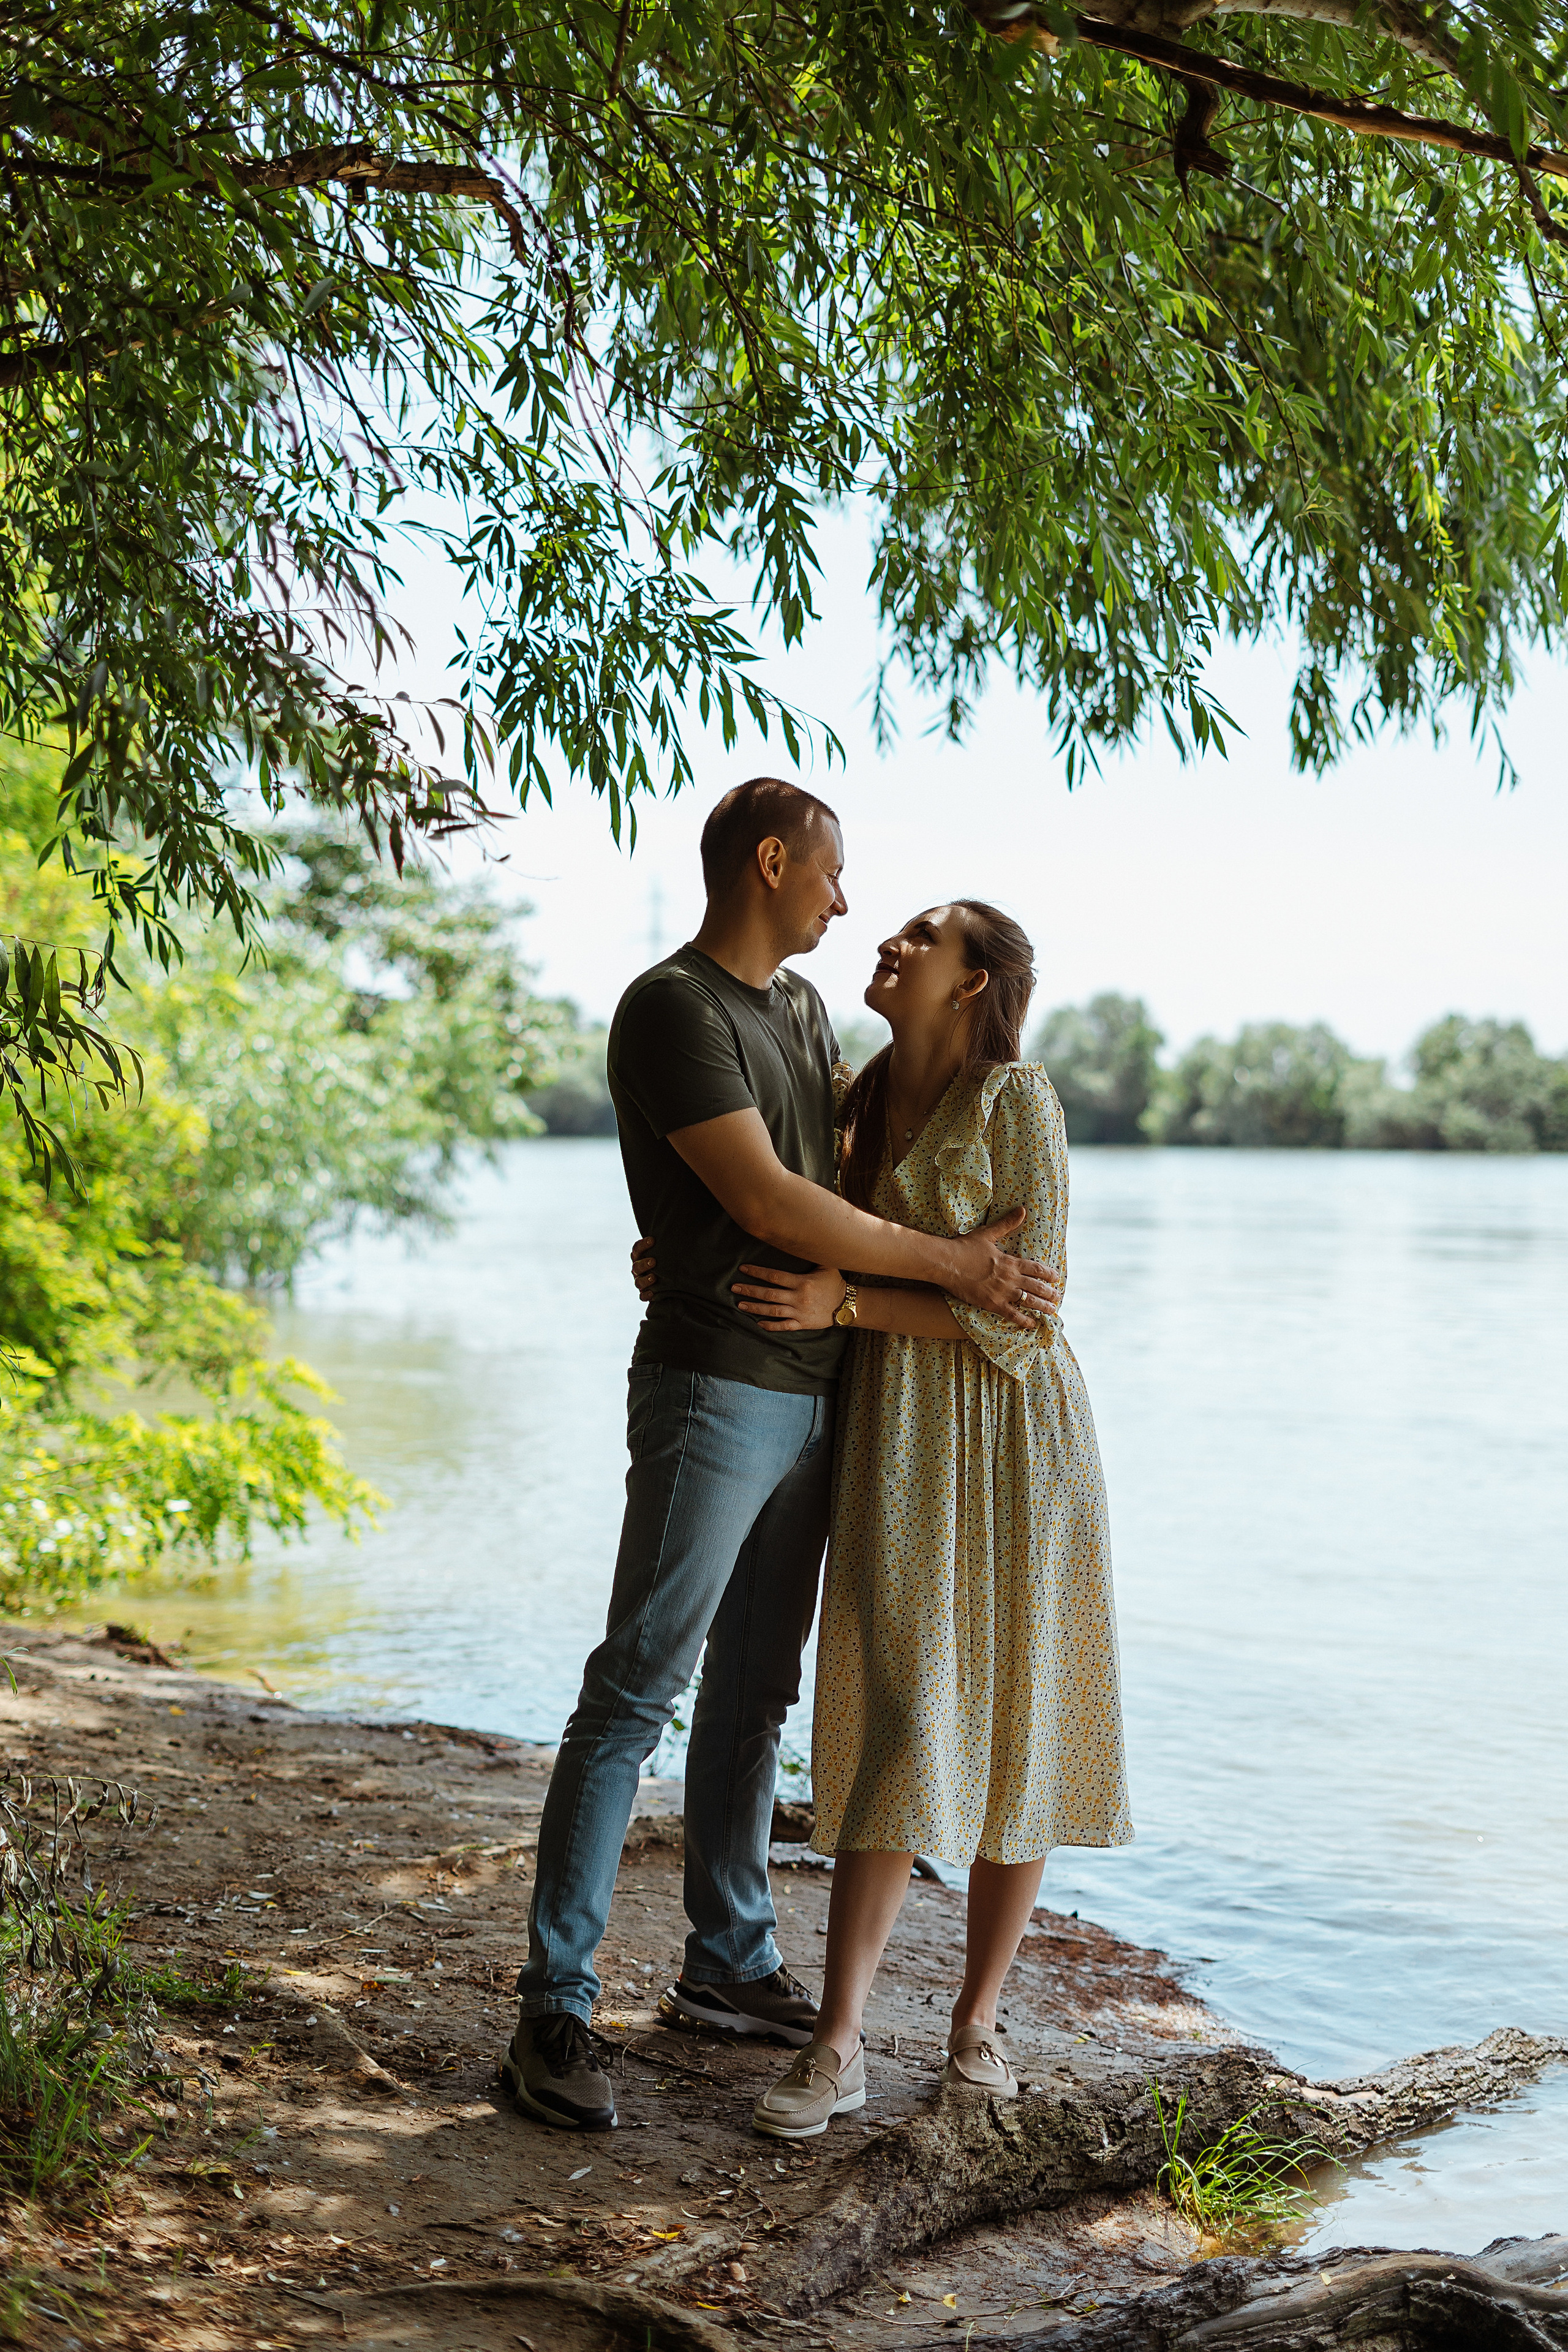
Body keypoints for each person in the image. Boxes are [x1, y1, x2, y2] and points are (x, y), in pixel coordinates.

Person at [503, 784, 1061, 2132]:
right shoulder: (672, 1006)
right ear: (771, 862)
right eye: (831, 874)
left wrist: (757, 1258)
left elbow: (842, 1165)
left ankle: (728, 1961)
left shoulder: (804, 1016)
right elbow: (761, 1198)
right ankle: (553, 2010)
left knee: (756, 1695)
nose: (844, 901)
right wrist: (964, 1271)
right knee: (637, 1688)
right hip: (716, 1388)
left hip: (825, 1399)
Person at [726, 899, 1133, 2140]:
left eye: (920, 938)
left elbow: (1027, 1316)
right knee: (901, 1710)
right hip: (895, 1436)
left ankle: (974, 2022)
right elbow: (767, 1220)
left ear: (973, 983)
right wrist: (678, 1264)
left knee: (1019, 1711)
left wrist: (846, 1301)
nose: (888, 944)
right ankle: (838, 2041)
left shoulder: (1018, 1100)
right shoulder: (844, 1100)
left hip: (1014, 1435)